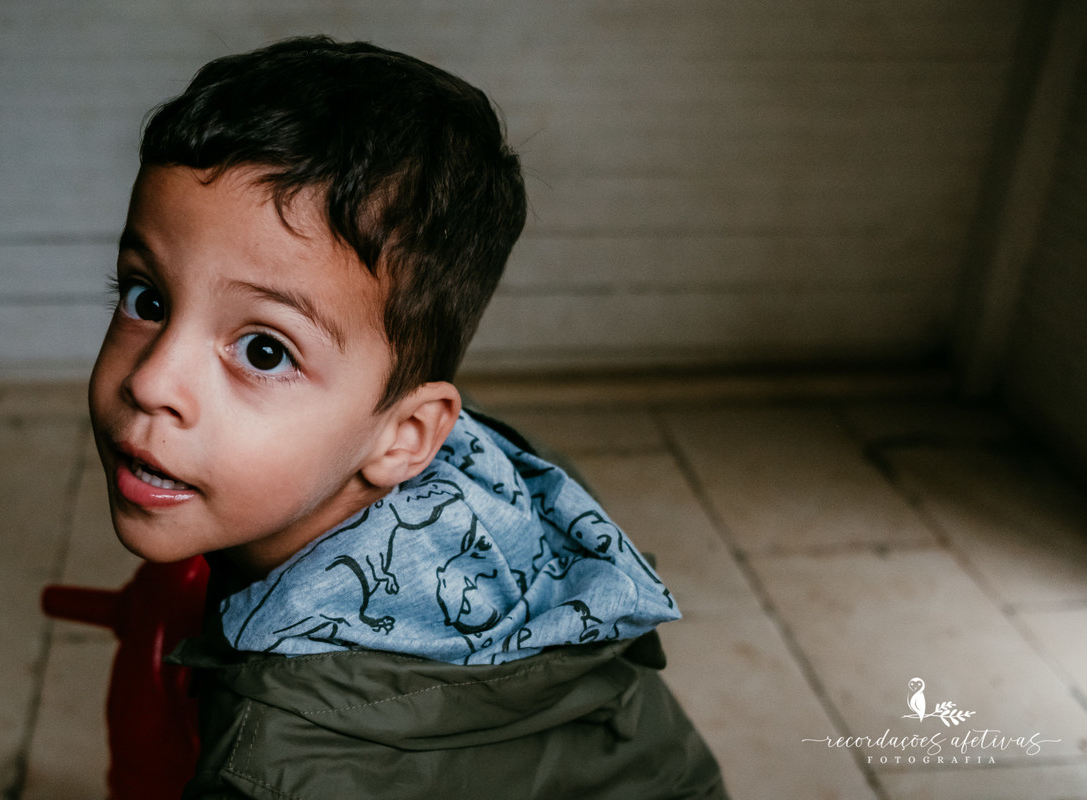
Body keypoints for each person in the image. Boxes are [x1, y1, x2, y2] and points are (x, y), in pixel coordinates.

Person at [88, 36, 728, 799]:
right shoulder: (497, 479)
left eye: (263, 351)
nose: (153, 380)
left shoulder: (273, 767)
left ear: (407, 435)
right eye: (147, 299)